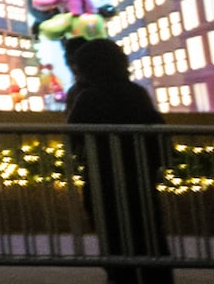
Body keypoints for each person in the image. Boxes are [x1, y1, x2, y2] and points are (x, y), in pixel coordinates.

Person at [61, 36, 168, 284]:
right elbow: (156, 131)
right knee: (150, 235)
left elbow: (74, 134)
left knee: (114, 238)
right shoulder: (136, 92)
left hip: (103, 179)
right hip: (140, 179)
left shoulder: (88, 97)